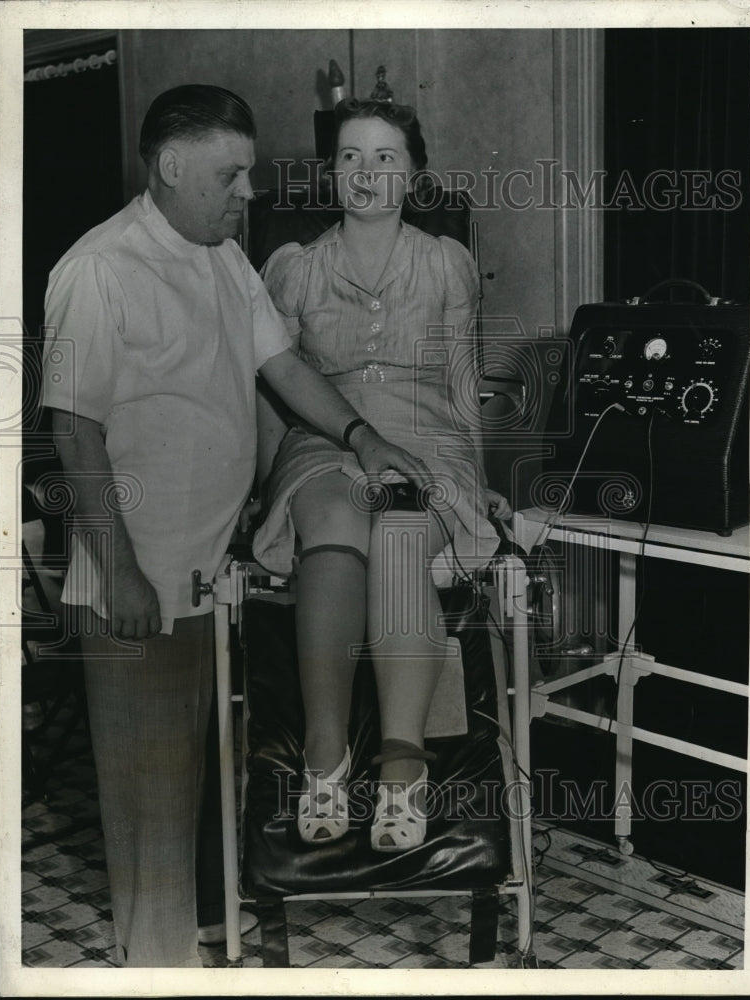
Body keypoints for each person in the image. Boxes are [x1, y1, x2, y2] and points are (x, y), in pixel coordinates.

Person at [40, 84, 429, 968]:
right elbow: (73, 430)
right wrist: (125, 572)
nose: (248, 192)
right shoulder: (99, 269)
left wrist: (362, 438)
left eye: (248, 173)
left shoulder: (218, 256)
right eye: (232, 174)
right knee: (149, 809)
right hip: (137, 579)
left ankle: (213, 933)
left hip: (209, 572)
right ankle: (159, 965)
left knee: (208, 784)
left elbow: (281, 364)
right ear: (171, 168)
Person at [252, 98, 506, 853]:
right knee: (331, 523)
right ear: (330, 173)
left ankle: (402, 769)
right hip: (324, 434)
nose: (366, 173)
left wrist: (480, 479)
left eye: (385, 157)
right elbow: (274, 385)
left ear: (413, 173)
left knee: (398, 533)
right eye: (351, 158)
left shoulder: (444, 263)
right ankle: (324, 760)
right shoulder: (291, 268)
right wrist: (266, 489)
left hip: (425, 435)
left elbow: (463, 381)